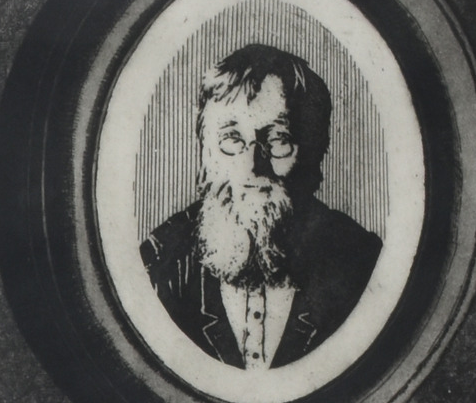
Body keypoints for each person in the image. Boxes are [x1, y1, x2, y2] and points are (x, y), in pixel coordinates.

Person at [139, 45, 381, 370]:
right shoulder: (159, 265)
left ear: (310, 152)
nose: (252, 166)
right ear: (206, 154)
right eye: (232, 139)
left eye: (277, 139)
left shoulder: (361, 263)